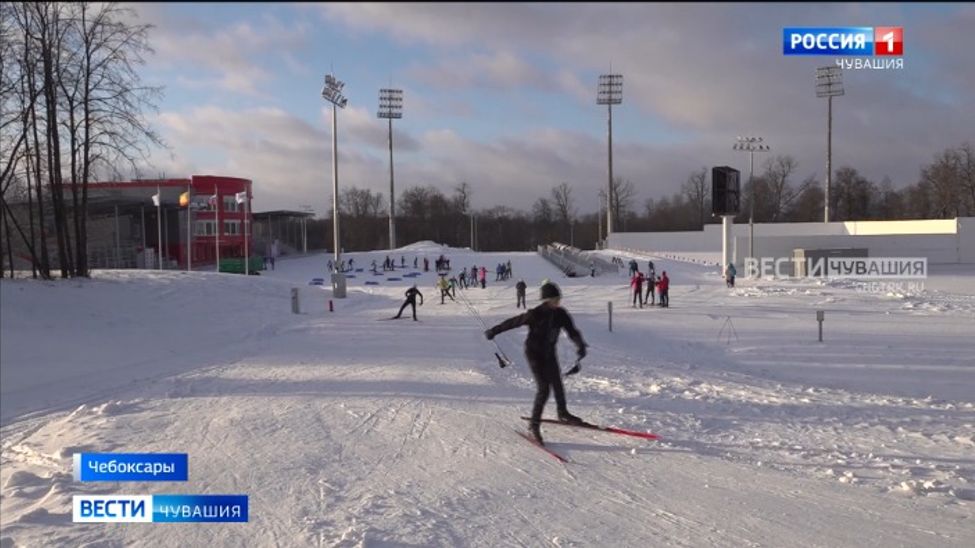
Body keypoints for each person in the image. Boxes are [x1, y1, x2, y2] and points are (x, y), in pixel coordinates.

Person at [485, 282, 588, 445]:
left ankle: (562, 412)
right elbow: (514, 322)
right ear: (547, 299)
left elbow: (572, 332)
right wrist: (494, 330)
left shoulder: (561, 314)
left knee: (557, 383)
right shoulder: (536, 314)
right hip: (534, 354)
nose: (558, 302)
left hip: (549, 353)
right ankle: (534, 425)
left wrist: (580, 345)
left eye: (558, 298)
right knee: (544, 389)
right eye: (555, 299)